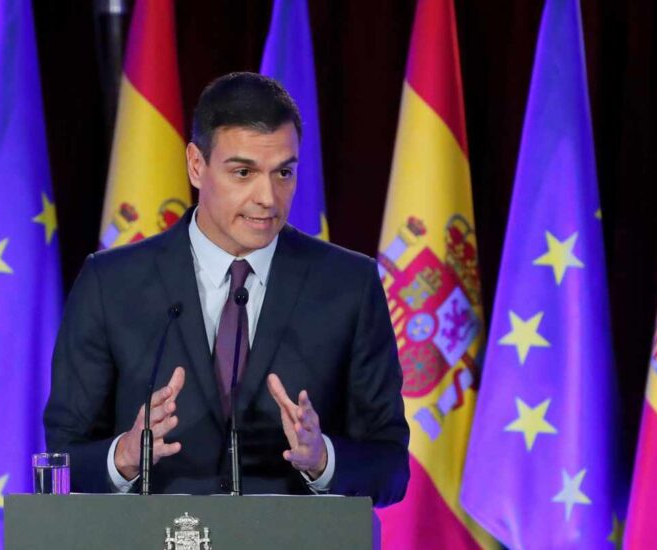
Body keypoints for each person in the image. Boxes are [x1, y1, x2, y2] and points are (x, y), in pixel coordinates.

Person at [44, 72, 409, 505]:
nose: (268, 198)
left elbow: (390, 468)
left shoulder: (348, 285)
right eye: (243, 172)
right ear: (197, 165)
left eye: (284, 173)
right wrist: (123, 456)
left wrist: (322, 458)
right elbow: (59, 460)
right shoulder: (112, 284)